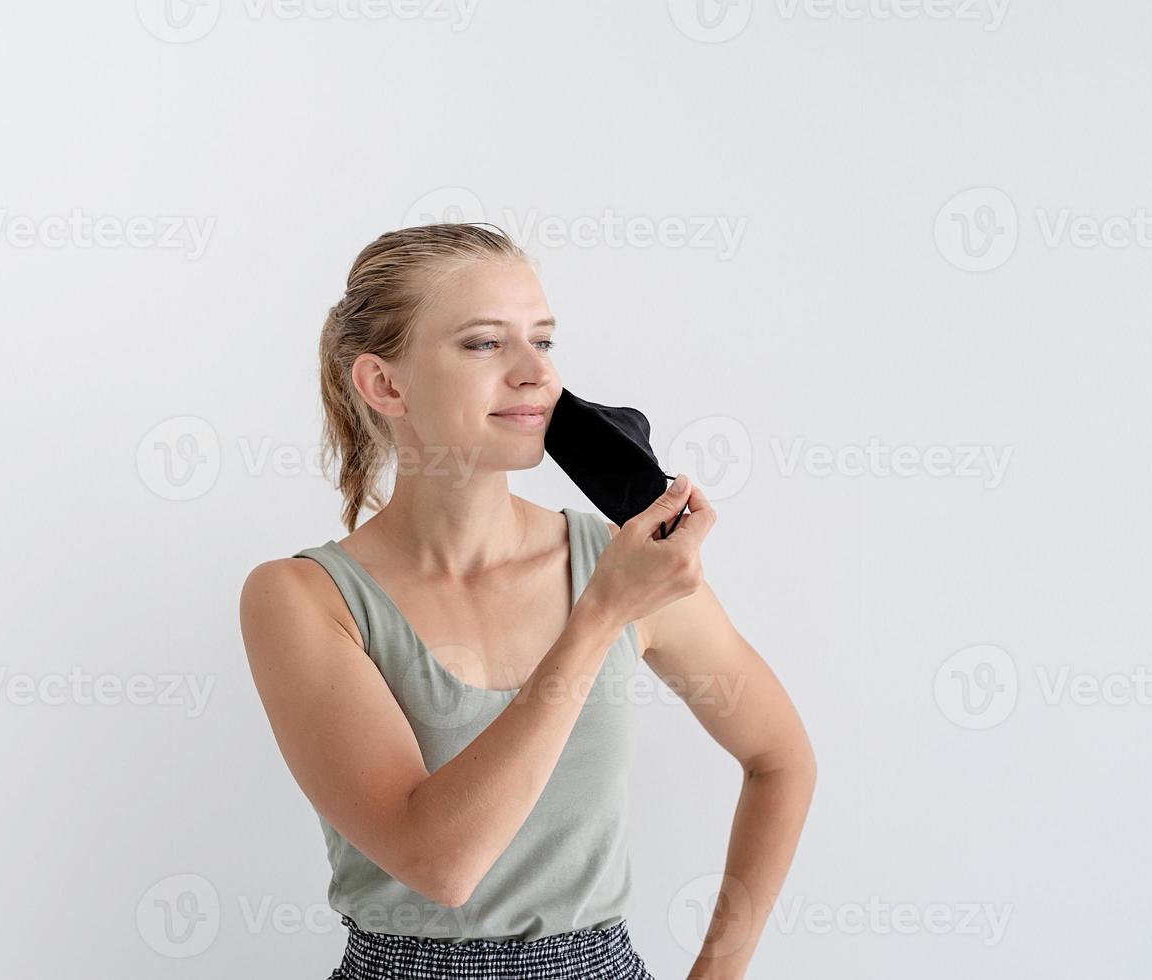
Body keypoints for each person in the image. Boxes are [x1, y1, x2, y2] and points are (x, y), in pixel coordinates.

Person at [240, 223, 816, 979]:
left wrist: (719, 974)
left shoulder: (618, 564)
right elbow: (439, 864)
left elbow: (779, 760)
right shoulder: (303, 599)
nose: (534, 374)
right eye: (484, 344)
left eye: (541, 342)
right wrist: (600, 617)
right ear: (384, 384)